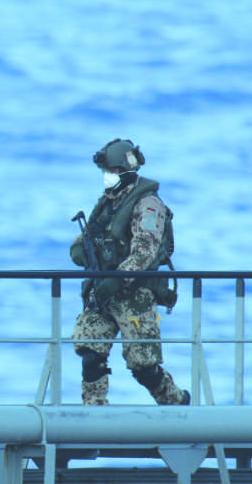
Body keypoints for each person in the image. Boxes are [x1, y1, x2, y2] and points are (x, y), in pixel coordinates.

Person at [70, 138, 188, 406]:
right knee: (90, 353)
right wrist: (79, 251)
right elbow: (87, 238)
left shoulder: (147, 204)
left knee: (144, 367)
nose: (106, 178)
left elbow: (144, 253)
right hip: (102, 292)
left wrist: (117, 279)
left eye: (110, 172)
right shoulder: (107, 203)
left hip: (134, 295)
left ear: (123, 171)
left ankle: (177, 403)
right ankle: (94, 409)